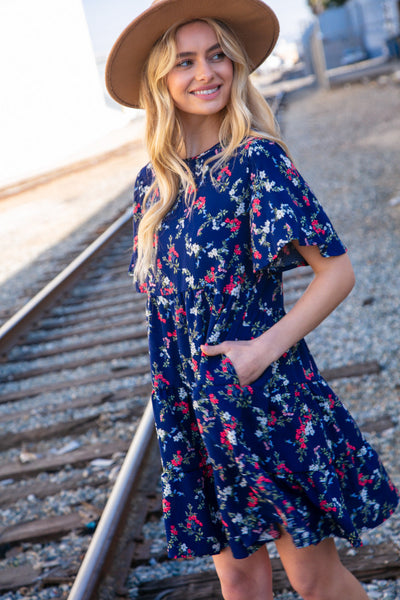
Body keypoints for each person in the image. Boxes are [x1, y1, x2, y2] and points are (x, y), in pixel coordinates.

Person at [106, 1, 399, 598]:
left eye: (217, 55)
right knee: (238, 578)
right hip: (193, 412)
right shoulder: (152, 188)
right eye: (184, 61)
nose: (206, 72)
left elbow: (336, 272)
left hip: (265, 399)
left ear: (236, 66)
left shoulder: (256, 161)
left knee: (312, 577)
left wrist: (262, 351)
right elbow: (165, 319)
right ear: (161, 78)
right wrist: (179, 410)